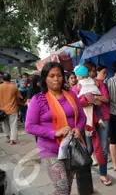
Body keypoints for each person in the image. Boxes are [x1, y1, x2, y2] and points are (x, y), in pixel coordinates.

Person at [25, 62, 86, 195]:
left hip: (70, 149)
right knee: (62, 188)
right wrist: (54, 132)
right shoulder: (38, 100)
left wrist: (78, 128)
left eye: (58, 75)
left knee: (66, 188)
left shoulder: (71, 95)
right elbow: (29, 126)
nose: (56, 79)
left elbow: (82, 117)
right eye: (51, 76)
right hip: (50, 150)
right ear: (45, 78)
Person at [73, 62, 112, 185]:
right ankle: (82, 171)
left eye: (94, 71)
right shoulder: (77, 86)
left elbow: (105, 99)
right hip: (87, 120)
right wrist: (92, 99)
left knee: (104, 147)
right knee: (89, 148)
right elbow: (77, 103)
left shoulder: (99, 83)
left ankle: (103, 173)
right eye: (91, 71)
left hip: (103, 118)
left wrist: (93, 98)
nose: (93, 73)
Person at [0, 74, 21, 145]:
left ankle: (8, 138)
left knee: (4, 124)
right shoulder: (14, 87)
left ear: (2, 79)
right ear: (10, 79)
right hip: (13, 108)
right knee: (13, 124)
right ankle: (13, 140)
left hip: (2, 110)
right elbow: (18, 97)